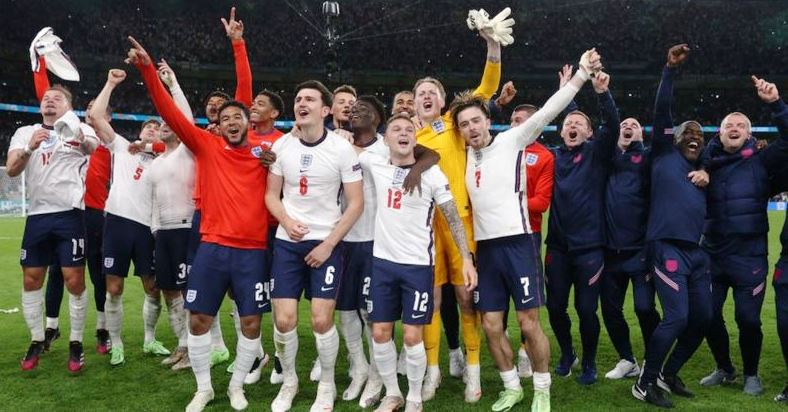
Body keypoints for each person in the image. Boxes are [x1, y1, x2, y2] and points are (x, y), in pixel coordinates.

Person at [129, 35, 274, 412]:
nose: (230, 121)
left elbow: (244, 91)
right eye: (224, 118)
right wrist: (148, 70)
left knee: (252, 324)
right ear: (217, 125)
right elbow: (169, 111)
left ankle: (236, 385)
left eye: (237, 116)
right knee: (199, 320)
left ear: (248, 121)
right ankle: (204, 388)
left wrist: (239, 45)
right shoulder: (205, 146)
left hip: (252, 251)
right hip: (211, 247)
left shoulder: (266, 152)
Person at [453, 50, 597, 411]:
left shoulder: (512, 140)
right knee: (490, 324)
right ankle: (512, 386)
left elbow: (550, 110)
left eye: (475, 121)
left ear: (488, 120)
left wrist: (580, 75)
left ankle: (543, 389)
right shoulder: (463, 157)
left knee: (529, 324)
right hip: (486, 250)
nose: (471, 128)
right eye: (464, 124)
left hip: (520, 244)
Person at [362, 114, 477, 412]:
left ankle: (414, 397)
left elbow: (453, 219)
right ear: (385, 139)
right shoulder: (375, 164)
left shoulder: (433, 175)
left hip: (417, 268)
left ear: (416, 138)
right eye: (395, 129)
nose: (402, 133)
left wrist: (466, 256)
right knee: (379, 332)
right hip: (382, 265)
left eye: (408, 130)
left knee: (413, 336)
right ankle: (392, 394)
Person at [413, 23, 502, 403]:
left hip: (460, 222)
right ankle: (431, 372)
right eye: (421, 94)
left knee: (467, 299)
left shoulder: (451, 122)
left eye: (433, 92)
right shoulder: (405, 136)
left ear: (443, 100)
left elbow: (486, 89)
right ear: (412, 103)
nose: (427, 96)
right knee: (430, 300)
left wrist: (493, 47)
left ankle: (473, 371)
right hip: (422, 228)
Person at [266, 80, 364, 412]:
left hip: (327, 242)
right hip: (287, 243)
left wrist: (328, 244)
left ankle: (327, 385)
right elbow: (271, 195)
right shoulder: (282, 147)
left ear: (325, 110)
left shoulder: (341, 149)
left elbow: (355, 204)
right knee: (284, 320)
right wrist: (285, 220)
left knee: (321, 320)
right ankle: (290, 381)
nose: (301, 103)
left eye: (309, 99)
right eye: (297, 98)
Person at [632, 44, 712, 409]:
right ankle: (645, 382)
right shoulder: (663, 153)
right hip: (666, 247)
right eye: (687, 132)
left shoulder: (703, 170)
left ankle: (669, 372)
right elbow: (663, 110)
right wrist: (669, 70)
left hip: (697, 252)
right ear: (675, 138)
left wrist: (709, 172)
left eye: (699, 133)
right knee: (677, 317)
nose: (694, 135)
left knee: (702, 318)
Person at [699, 76, 788, 396]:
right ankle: (725, 367)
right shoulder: (706, 164)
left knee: (748, 319)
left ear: (749, 134)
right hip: (712, 252)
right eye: (727, 125)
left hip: (749, 256)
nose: (733, 127)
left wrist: (776, 104)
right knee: (706, 314)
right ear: (719, 134)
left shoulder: (763, 161)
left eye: (740, 124)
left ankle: (752, 373)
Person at [6, 84, 98, 372]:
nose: (50, 101)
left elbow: (92, 146)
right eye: (46, 98)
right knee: (32, 279)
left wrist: (74, 129)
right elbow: (11, 169)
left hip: (69, 215)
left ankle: (76, 341)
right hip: (37, 216)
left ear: (68, 106)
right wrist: (31, 146)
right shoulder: (25, 132)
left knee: (74, 280)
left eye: (57, 98)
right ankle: (36, 339)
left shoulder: (79, 128)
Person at [545, 59, 619, 385]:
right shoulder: (552, 156)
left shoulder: (597, 153)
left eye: (579, 123)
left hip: (590, 248)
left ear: (589, 133)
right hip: (558, 248)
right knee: (556, 308)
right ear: (561, 130)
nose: (573, 126)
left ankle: (589, 361)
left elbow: (612, 127)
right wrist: (566, 98)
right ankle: (567, 353)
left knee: (587, 310)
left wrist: (602, 94)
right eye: (568, 122)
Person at [32, 56, 112, 356]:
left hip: (94, 215)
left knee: (96, 273)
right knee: (56, 272)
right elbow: (47, 99)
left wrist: (108, 85)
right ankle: (51, 327)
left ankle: (102, 327)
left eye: (97, 110)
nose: (91, 113)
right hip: (66, 212)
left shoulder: (103, 140)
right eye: (87, 108)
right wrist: (39, 60)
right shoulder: (65, 134)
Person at [88, 70, 165, 367]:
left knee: (152, 287)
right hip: (118, 222)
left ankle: (149, 339)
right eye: (148, 127)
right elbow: (95, 116)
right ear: (139, 132)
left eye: (157, 128)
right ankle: (117, 343)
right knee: (114, 287)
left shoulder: (164, 161)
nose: (152, 129)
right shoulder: (121, 146)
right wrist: (110, 83)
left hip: (147, 228)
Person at [505, 102, 555, 378]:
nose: (516, 124)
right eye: (513, 119)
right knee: (495, 299)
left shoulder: (544, 156)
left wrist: (507, 202)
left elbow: (541, 203)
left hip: (527, 236)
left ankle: (526, 351)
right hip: (496, 234)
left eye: (522, 120)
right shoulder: (500, 150)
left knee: (527, 301)